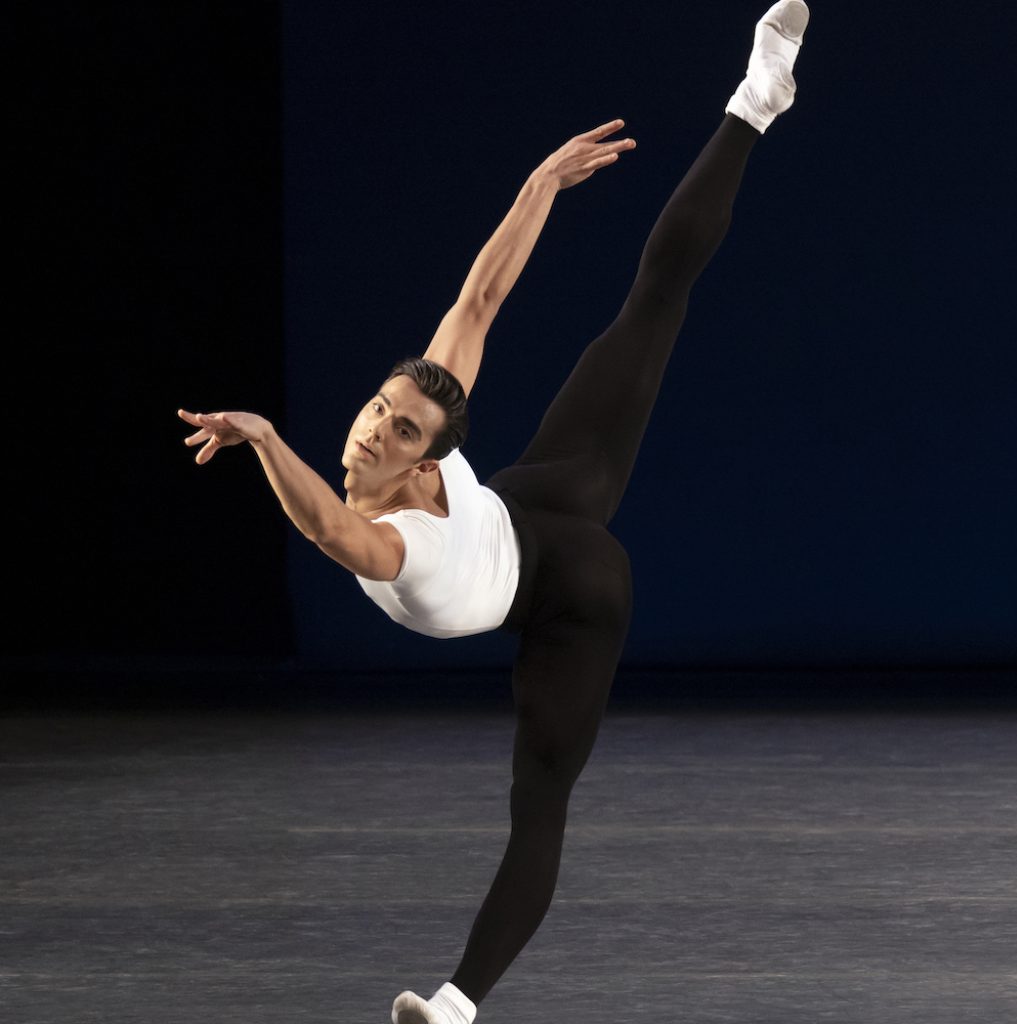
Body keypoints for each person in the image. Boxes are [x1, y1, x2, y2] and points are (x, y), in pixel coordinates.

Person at [178, 3, 810, 1020]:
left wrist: (536, 189)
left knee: (651, 301)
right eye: (380, 410)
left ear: (433, 451)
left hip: (572, 575)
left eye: (404, 428)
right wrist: (537, 184)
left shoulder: (407, 509)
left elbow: (467, 320)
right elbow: (348, 500)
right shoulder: (393, 525)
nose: (378, 430)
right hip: (525, 533)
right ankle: (461, 1005)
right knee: (538, 808)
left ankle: (754, 100)